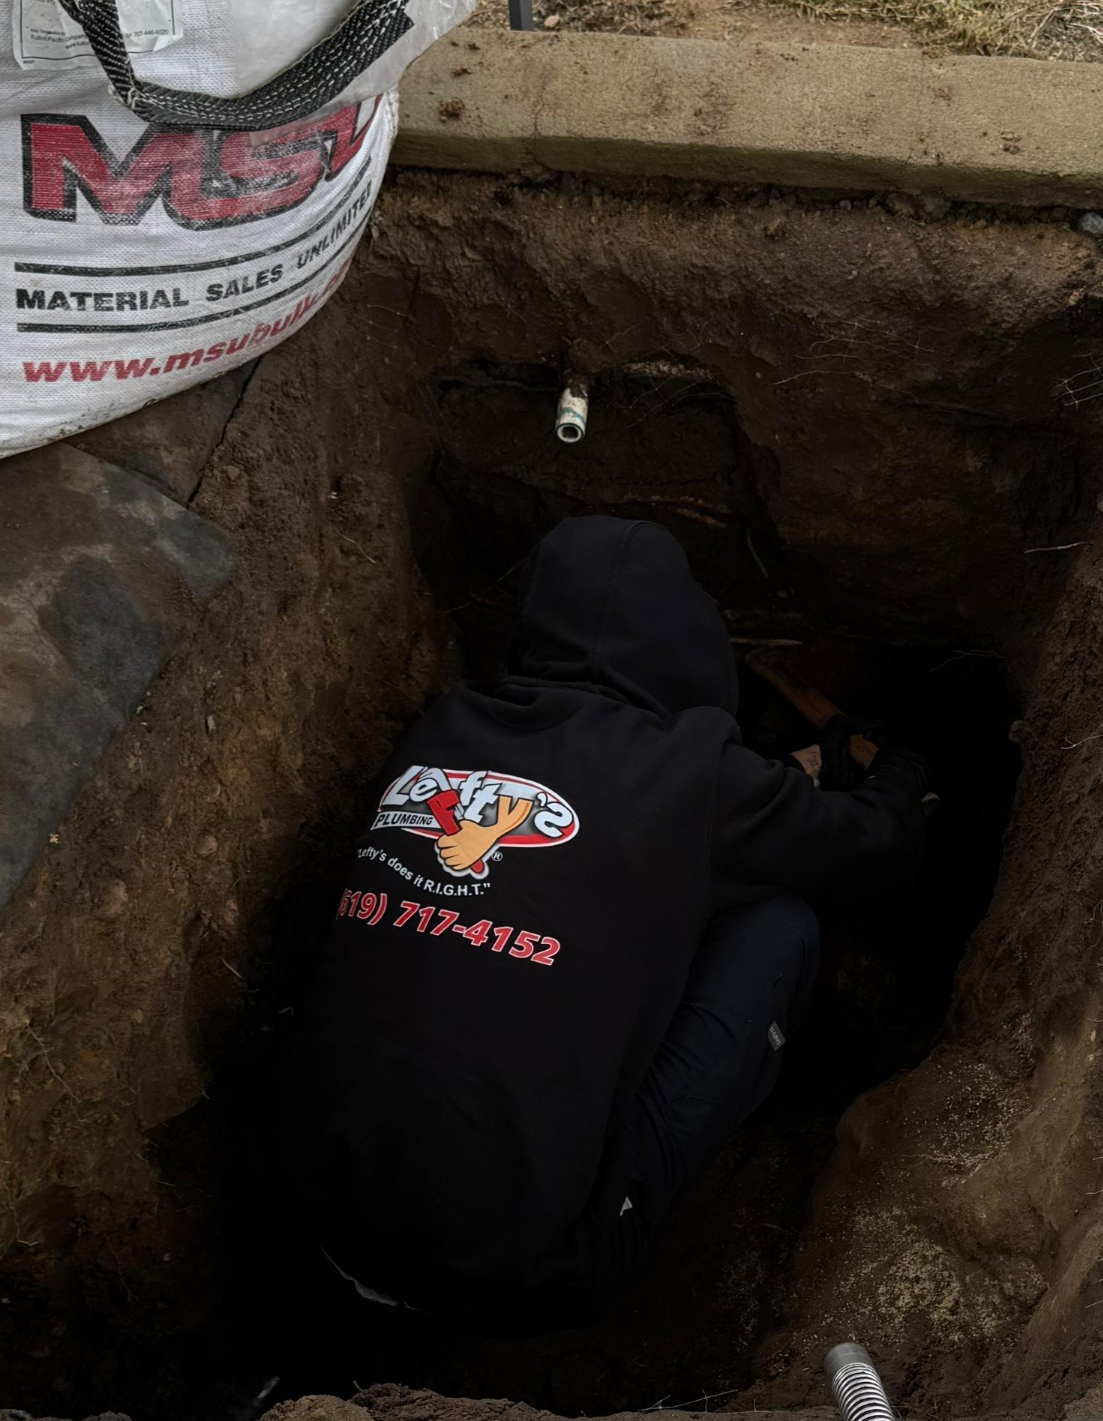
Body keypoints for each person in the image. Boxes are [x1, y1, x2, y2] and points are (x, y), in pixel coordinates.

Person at [289, 516, 930, 1332]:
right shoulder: (699, 778)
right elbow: (878, 850)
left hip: (322, 1215)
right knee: (779, 923)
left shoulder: (442, 729)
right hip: (520, 1273)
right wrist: (901, 771)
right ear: (687, 636)